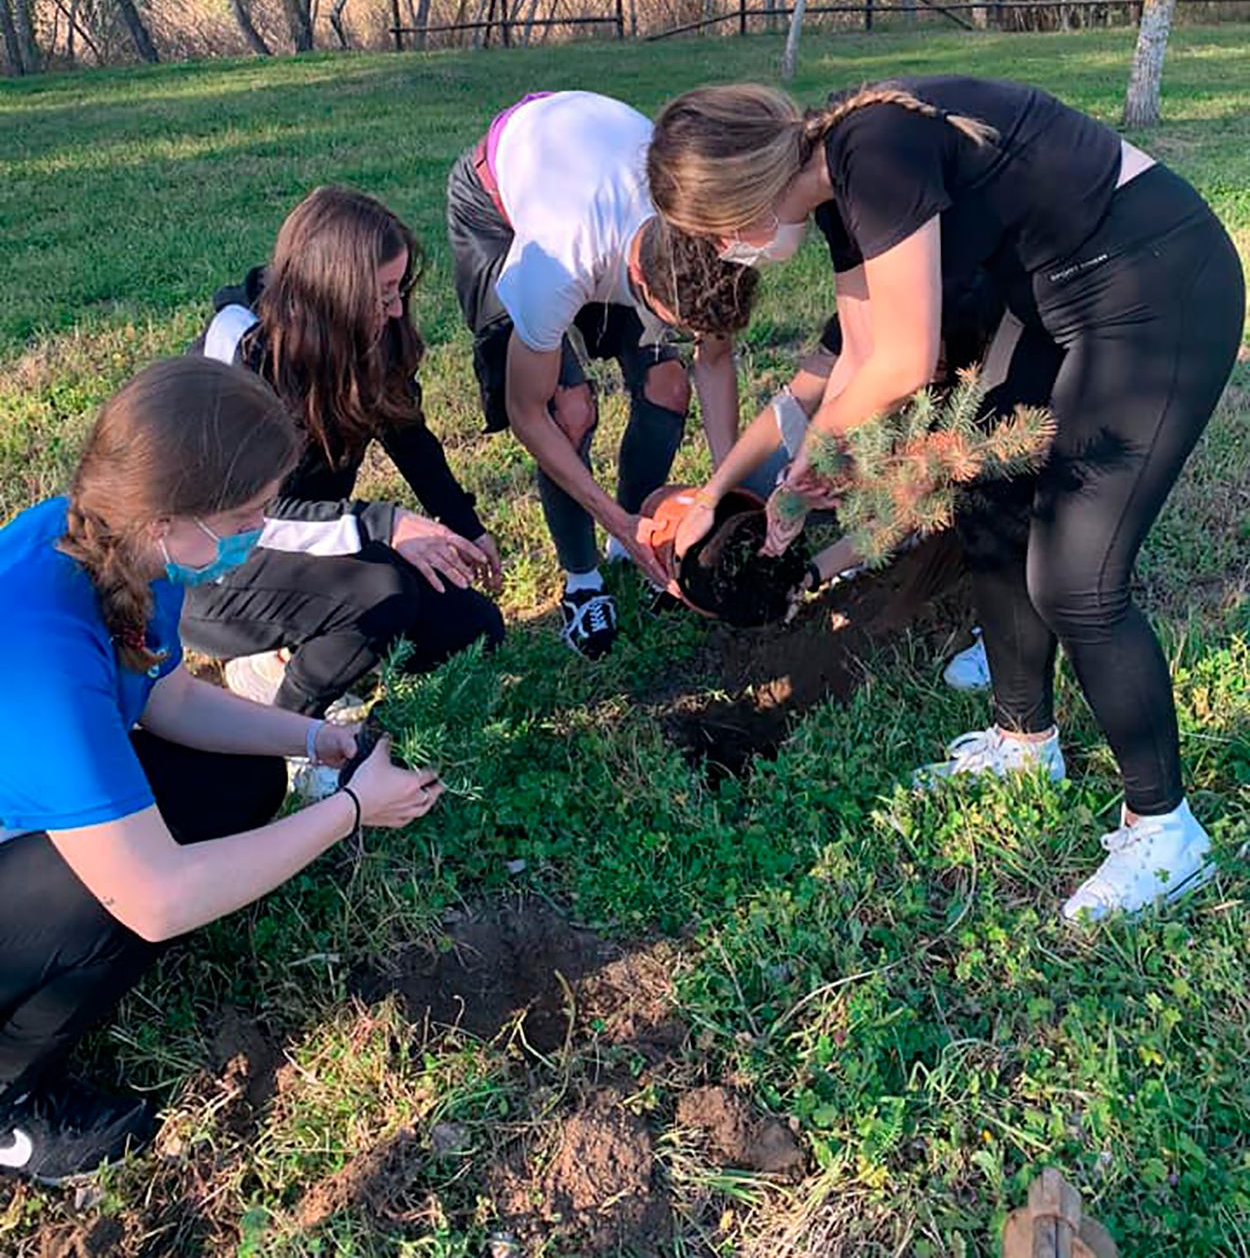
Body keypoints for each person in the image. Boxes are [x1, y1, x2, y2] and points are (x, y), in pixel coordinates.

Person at [647, 77, 1244, 921]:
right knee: (990, 502)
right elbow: (856, 360)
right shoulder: (835, 180)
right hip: (1060, 302)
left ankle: (1167, 829)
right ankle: (1022, 739)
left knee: (1078, 577)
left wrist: (818, 455)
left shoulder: (874, 149)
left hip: (1157, 290)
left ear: (742, 199)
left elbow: (906, 354)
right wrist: (784, 487)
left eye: (715, 236)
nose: (727, 253)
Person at [0, 358, 445, 1186]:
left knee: (242, 784)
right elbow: (156, 898)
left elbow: (164, 697)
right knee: (108, 898)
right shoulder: (41, 647)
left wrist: (312, 739)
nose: (258, 529)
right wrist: (348, 813)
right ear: (170, 516)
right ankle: (7, 1098)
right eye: (245, 513)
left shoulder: (125, 549)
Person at [446, 90, 752, 659]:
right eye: (674, 325)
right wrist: (608, 512)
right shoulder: (556, 266)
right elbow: (526, 415)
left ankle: (633, 541)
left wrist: (722, 489)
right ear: (639, 281)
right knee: (570, 410)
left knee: (667, 384)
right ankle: (582, 583)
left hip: (601, 182)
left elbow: (713, 360)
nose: (684, 337)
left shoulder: (704, 237)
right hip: (498, 204)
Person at [184, 186, 504, 717]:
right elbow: (236, 518)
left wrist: (464, 523)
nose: (397, 308)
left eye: (399, 289)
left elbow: (407, 433)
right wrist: (385, 526)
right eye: (383, 294)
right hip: (218, 570)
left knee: (474, 629)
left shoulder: (369, 332)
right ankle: (292, 731)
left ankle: (302, 649)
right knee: (385, 588)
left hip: (316, 544)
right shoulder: (240, 348)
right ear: (334, 289)